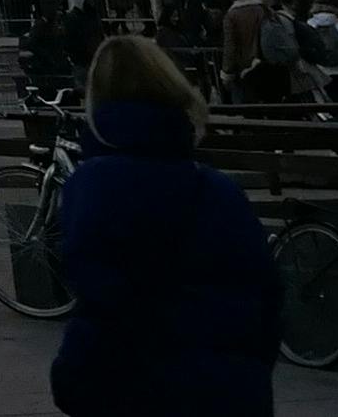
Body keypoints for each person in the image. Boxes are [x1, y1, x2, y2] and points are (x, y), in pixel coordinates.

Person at [51, 36, 276, 417]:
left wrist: (72, 379)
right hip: (232, 391)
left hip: (142, 389)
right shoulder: (217, 188)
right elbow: (266, 297)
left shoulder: (93, 185)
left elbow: (105, 303)